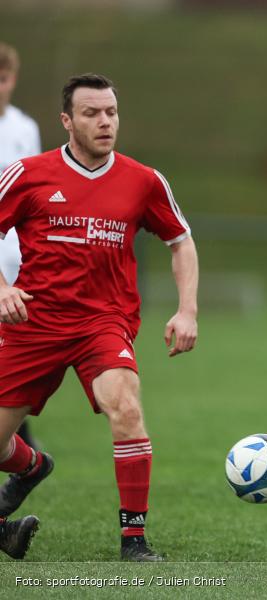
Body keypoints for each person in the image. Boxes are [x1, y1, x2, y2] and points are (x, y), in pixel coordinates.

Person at [0, 73, 199, 562]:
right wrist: (2, 289)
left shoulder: (143, 181)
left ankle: (134, 540)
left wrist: (187, 309)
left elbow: (181, 242)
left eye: (111, 112)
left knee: (126, 408)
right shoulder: (27, 174)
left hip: (103, 323)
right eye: (91, 113)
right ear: (67, 121)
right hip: (34, 322)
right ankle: (31, 466)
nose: (105, 121)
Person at [0, 43, 42, 452]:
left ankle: (21, 445)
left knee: (12, 358)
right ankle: (24, 448)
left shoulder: (24, 128)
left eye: (2, 78)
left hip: (12, 262)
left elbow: (37, 193)